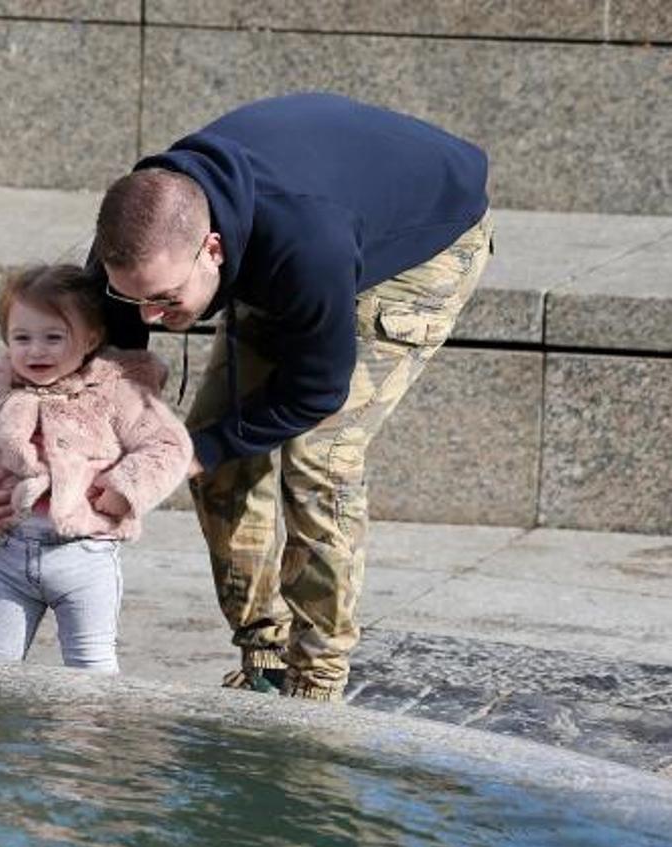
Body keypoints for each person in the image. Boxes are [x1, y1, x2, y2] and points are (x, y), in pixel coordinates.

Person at [59, 92, 491, 700]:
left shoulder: (306, 246)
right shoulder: (141, 230)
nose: (151, 316)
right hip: (301, 226)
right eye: (134, 298)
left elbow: (316, 391)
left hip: (424, 241)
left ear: (212, 250)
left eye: (165, 299)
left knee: (319, 459)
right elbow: (110, 360)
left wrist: (193, 452)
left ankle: (316, 683)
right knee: (212, 450)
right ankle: (265, 656)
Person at [0, 264, 192, 672]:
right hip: (11, 557)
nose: (36, 351)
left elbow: (167, 446)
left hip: (86, 557)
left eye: (53, 338)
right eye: (22, 338)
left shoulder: (114, 390)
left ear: (89, 339)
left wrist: (125, 489)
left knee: (91, 667)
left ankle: (88, 717)